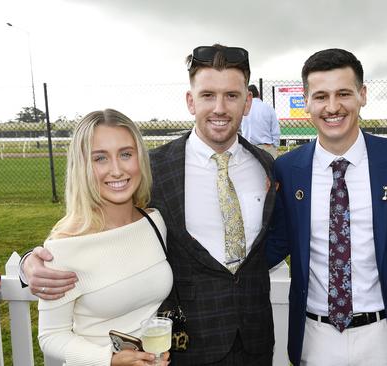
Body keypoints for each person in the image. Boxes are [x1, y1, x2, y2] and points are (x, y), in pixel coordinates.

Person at [22, 45, 277, 366]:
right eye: (208, 95)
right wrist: (32, 262)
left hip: (256, 340)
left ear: (248, 101)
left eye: (232, 95)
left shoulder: (264, 164)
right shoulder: (153, 169)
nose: (220, 107)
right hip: (187, 349)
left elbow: (276, 239)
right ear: (190, 100)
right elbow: (98, 223)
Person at [266, 48, 387, 365]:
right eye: (321, 96)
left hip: (385, 335)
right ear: (306, 100)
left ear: (362, 95)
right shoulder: (287, 168)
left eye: (344, 94)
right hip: (315, 336)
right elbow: (275, 242)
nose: (333, 107)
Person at [37, 109, 173, 365]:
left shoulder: (154, 222)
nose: (117, 170)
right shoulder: (63, 246)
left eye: (125, 154)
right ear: (83, 166)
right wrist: (108, 359)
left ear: (140, 159)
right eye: (100, 158)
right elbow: (51, 336)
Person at [240, 84, 281, 158]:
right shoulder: (268, 108)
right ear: (258, 93)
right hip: (267, 148)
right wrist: (274, 146)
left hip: (248, 148)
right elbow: (275, 131)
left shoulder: (243, 109)